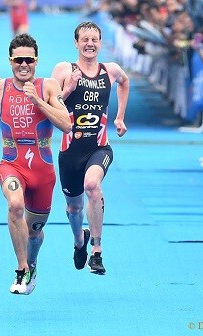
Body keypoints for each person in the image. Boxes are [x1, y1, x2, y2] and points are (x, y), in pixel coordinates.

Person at [0, 33, 71, 295]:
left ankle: (32, 263)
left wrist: (38, 101)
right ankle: (21, 270)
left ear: (36, 61)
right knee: (15, 204)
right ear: (10, 61)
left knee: (35, 232)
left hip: (42, 171)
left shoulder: (48, 86)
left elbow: (66, 124)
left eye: (28, 59)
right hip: (11, 164)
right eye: (19, 60)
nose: (23, 65)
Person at [51, 21, 129, 275]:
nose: (90, 44)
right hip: (70, 152)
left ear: (101, 42)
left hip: (99, 147)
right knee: (74, 208)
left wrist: (119, 117)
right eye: (84, 39)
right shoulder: (64, 69)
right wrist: (68, 89)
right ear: (76, 43)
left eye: (94, 39)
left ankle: (97, 251)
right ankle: (79, 241)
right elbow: (50, 104)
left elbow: (124, 82)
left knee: (92, 186)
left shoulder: (111, 70)